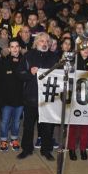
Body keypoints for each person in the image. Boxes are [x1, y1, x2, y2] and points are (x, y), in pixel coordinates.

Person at [17, 32, 58, 161]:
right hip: (31, 97)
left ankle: (46, 150)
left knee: (47, 126)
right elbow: (19, 73)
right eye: (42, 41)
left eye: (47, 41)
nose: (44, 43)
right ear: (36, 43)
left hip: (47, 98)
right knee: (28, 125)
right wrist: (30, 72)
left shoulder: (54, 57)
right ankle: (27, 149)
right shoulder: (28, 56)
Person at [68, 38, 88, 161]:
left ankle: (83, 148)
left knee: (85, 124)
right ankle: (71, 148)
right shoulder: (72, 60)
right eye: (84, 47)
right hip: (74, 97)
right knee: (73, 124)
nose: (86, 50)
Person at [0, 39, 26, 152]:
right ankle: (3, 140)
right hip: (6, 99)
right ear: (9, 49)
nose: (14, 49)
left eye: (16, 46)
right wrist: (0, 100)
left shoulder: (24, 62)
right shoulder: (3, 62)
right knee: (5, 121)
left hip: (20, 99)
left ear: (19, 48)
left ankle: (14, 139)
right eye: (12, 46)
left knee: (16, 122)